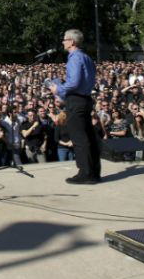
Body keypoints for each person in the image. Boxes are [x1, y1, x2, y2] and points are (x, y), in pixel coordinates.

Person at [49, 29, 101, 184]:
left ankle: (85, 173)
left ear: (72, 41)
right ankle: (93, 172)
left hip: (76, 101)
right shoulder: (86, 57)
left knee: (79, 138)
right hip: (85, 99)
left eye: (64, 39)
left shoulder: (74, 58)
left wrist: (58, 90)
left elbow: (74, 82)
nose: (63, 42)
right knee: (89, 137)